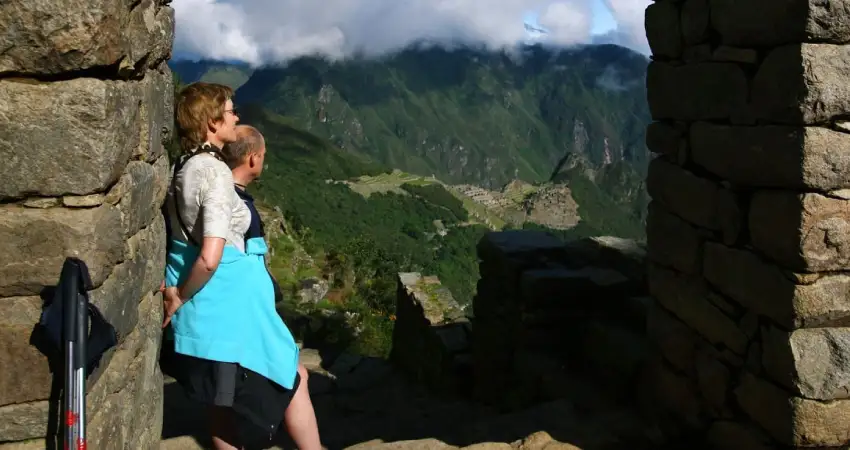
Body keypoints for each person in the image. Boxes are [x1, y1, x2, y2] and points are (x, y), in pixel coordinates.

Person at [159, 82, 318, 450]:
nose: (236, 116)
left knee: (221, 399)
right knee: (290, 375)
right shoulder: (213, 173)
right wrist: (180, 297)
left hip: (218, 309)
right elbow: (210, 255)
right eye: (230, 111)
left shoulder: (183, 164)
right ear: (212, 123)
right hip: (226, 307)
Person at [221, 124, 322, 448]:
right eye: (262, 156)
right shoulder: (237, 210)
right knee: (294, 377)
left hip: (224, 316)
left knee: (220, 396)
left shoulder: (218, 194)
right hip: (244, 316)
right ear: (253, 159)